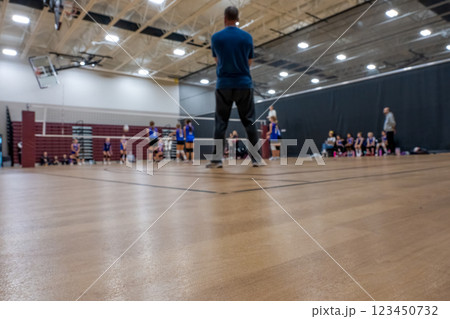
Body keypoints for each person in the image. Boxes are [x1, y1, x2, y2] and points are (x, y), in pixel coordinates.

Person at [206, 6, 260, 168]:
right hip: (244, 84)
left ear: (224, 18)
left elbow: (217, 60)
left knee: (220, 123)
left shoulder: (216, 37)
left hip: (224, 85)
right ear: (237, 18)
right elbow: (249, 62)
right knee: (249, 122)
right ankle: (256, 159)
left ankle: (216, 160)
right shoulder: (247, 37)